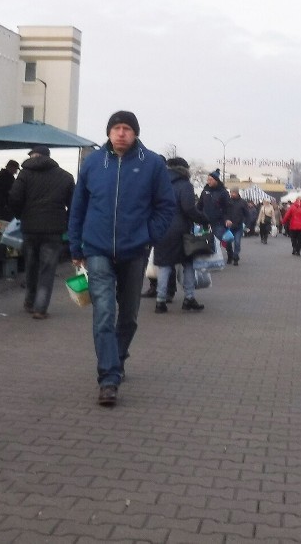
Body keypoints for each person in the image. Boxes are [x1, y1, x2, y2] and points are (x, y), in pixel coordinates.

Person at [68, 110, 175, 407]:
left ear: (135, 133)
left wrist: (147, 235)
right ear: (109, 132)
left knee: (128, 315)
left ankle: (118, 357)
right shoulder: (93, 163)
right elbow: (78, 206)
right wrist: (76, 246)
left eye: (127, 128)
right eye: (116, 128)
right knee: (104, 313)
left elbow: (166, 207)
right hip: (97, 249)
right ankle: (108, 378)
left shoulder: (152, 164)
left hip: (134, 251)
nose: (121, 133)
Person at [9, 145, 75, 319]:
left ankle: (29, 301)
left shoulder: (25, 174)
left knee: (31, 265)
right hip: (53, 230)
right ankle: (40, 307)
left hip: (30, 228)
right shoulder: (65, 177)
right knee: (47, 269)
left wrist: (21, 214)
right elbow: (74, 205)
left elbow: (14, 198)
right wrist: (65, 221)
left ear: (34, 156)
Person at [152, 157, 211, 313]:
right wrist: (204, 219)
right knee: (188, 264)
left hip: (160, 229)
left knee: (164, 266)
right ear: (184, 170)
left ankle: (160, 301)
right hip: (180, 231)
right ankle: (189, 298)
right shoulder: (185, 185)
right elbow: (189, 209)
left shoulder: (158, 185)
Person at [197, 169, 231, 250]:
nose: (208, 182)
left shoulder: (223, 192)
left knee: (216, 242)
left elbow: (227, 207)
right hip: (205, 221)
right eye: (208, 180)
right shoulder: (205, 191)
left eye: (210, 180)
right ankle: (208, 260)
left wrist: (227, 219)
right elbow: (200, 205)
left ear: (216, 180)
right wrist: (196, 216)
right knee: (204, 242)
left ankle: (225, 255)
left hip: (218, 222)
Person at [226, 188, 249, 265]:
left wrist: (247, 224)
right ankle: (230, 255)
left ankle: (235, 257)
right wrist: (226, 220)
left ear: (237, 193)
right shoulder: (228, 202)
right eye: (231, 193)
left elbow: (247, 214)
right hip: (229, 226)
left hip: (238, 226)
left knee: (237, 242)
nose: (232, 194)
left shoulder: (243, 202)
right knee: (228, 242)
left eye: (233, 193)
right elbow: (224, 213)